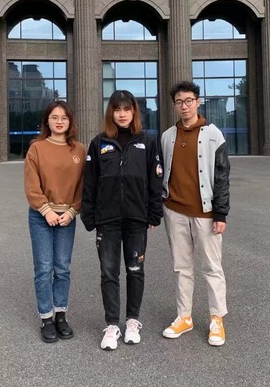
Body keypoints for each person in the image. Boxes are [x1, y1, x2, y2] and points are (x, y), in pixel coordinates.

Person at [81, 90, 164, 350]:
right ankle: (112, 325)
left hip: (136, 218)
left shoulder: (147, 142)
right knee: (109, 272)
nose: (122, 114)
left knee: (135, 270)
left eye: (127, 109)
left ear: (134, 112)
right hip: (107, 220)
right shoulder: (99, 143)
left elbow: (155, 180)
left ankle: (132, 321)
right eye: (117, 109)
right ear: (111, 113)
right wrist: (89, 215)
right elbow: (89, 182)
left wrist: (154, 213)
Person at [161, 81, 230, 346]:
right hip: (175, 211)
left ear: (198, 102)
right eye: (179, 102)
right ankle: (184, 317)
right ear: (174, 106)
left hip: (206, 214)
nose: (184, 106)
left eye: (189, 100)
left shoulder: (214, 135)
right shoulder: (167, 136)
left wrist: (221, 213)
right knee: (181, 267)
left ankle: (217, 318)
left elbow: (222, 176)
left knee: (212, 267)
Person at [24, 100, 86, 343]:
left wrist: (72, 211)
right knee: (44, 268)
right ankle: (46, 318)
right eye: (54, 117)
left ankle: (61, 315)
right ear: (47, 121)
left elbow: (83, 186)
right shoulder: (37, 148)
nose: (59, 121)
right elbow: (32, 186)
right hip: (41, 216)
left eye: (64, 117)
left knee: (62, 268)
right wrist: (46, 210)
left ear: (70, 121)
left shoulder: (79, 150)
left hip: (67, 217)